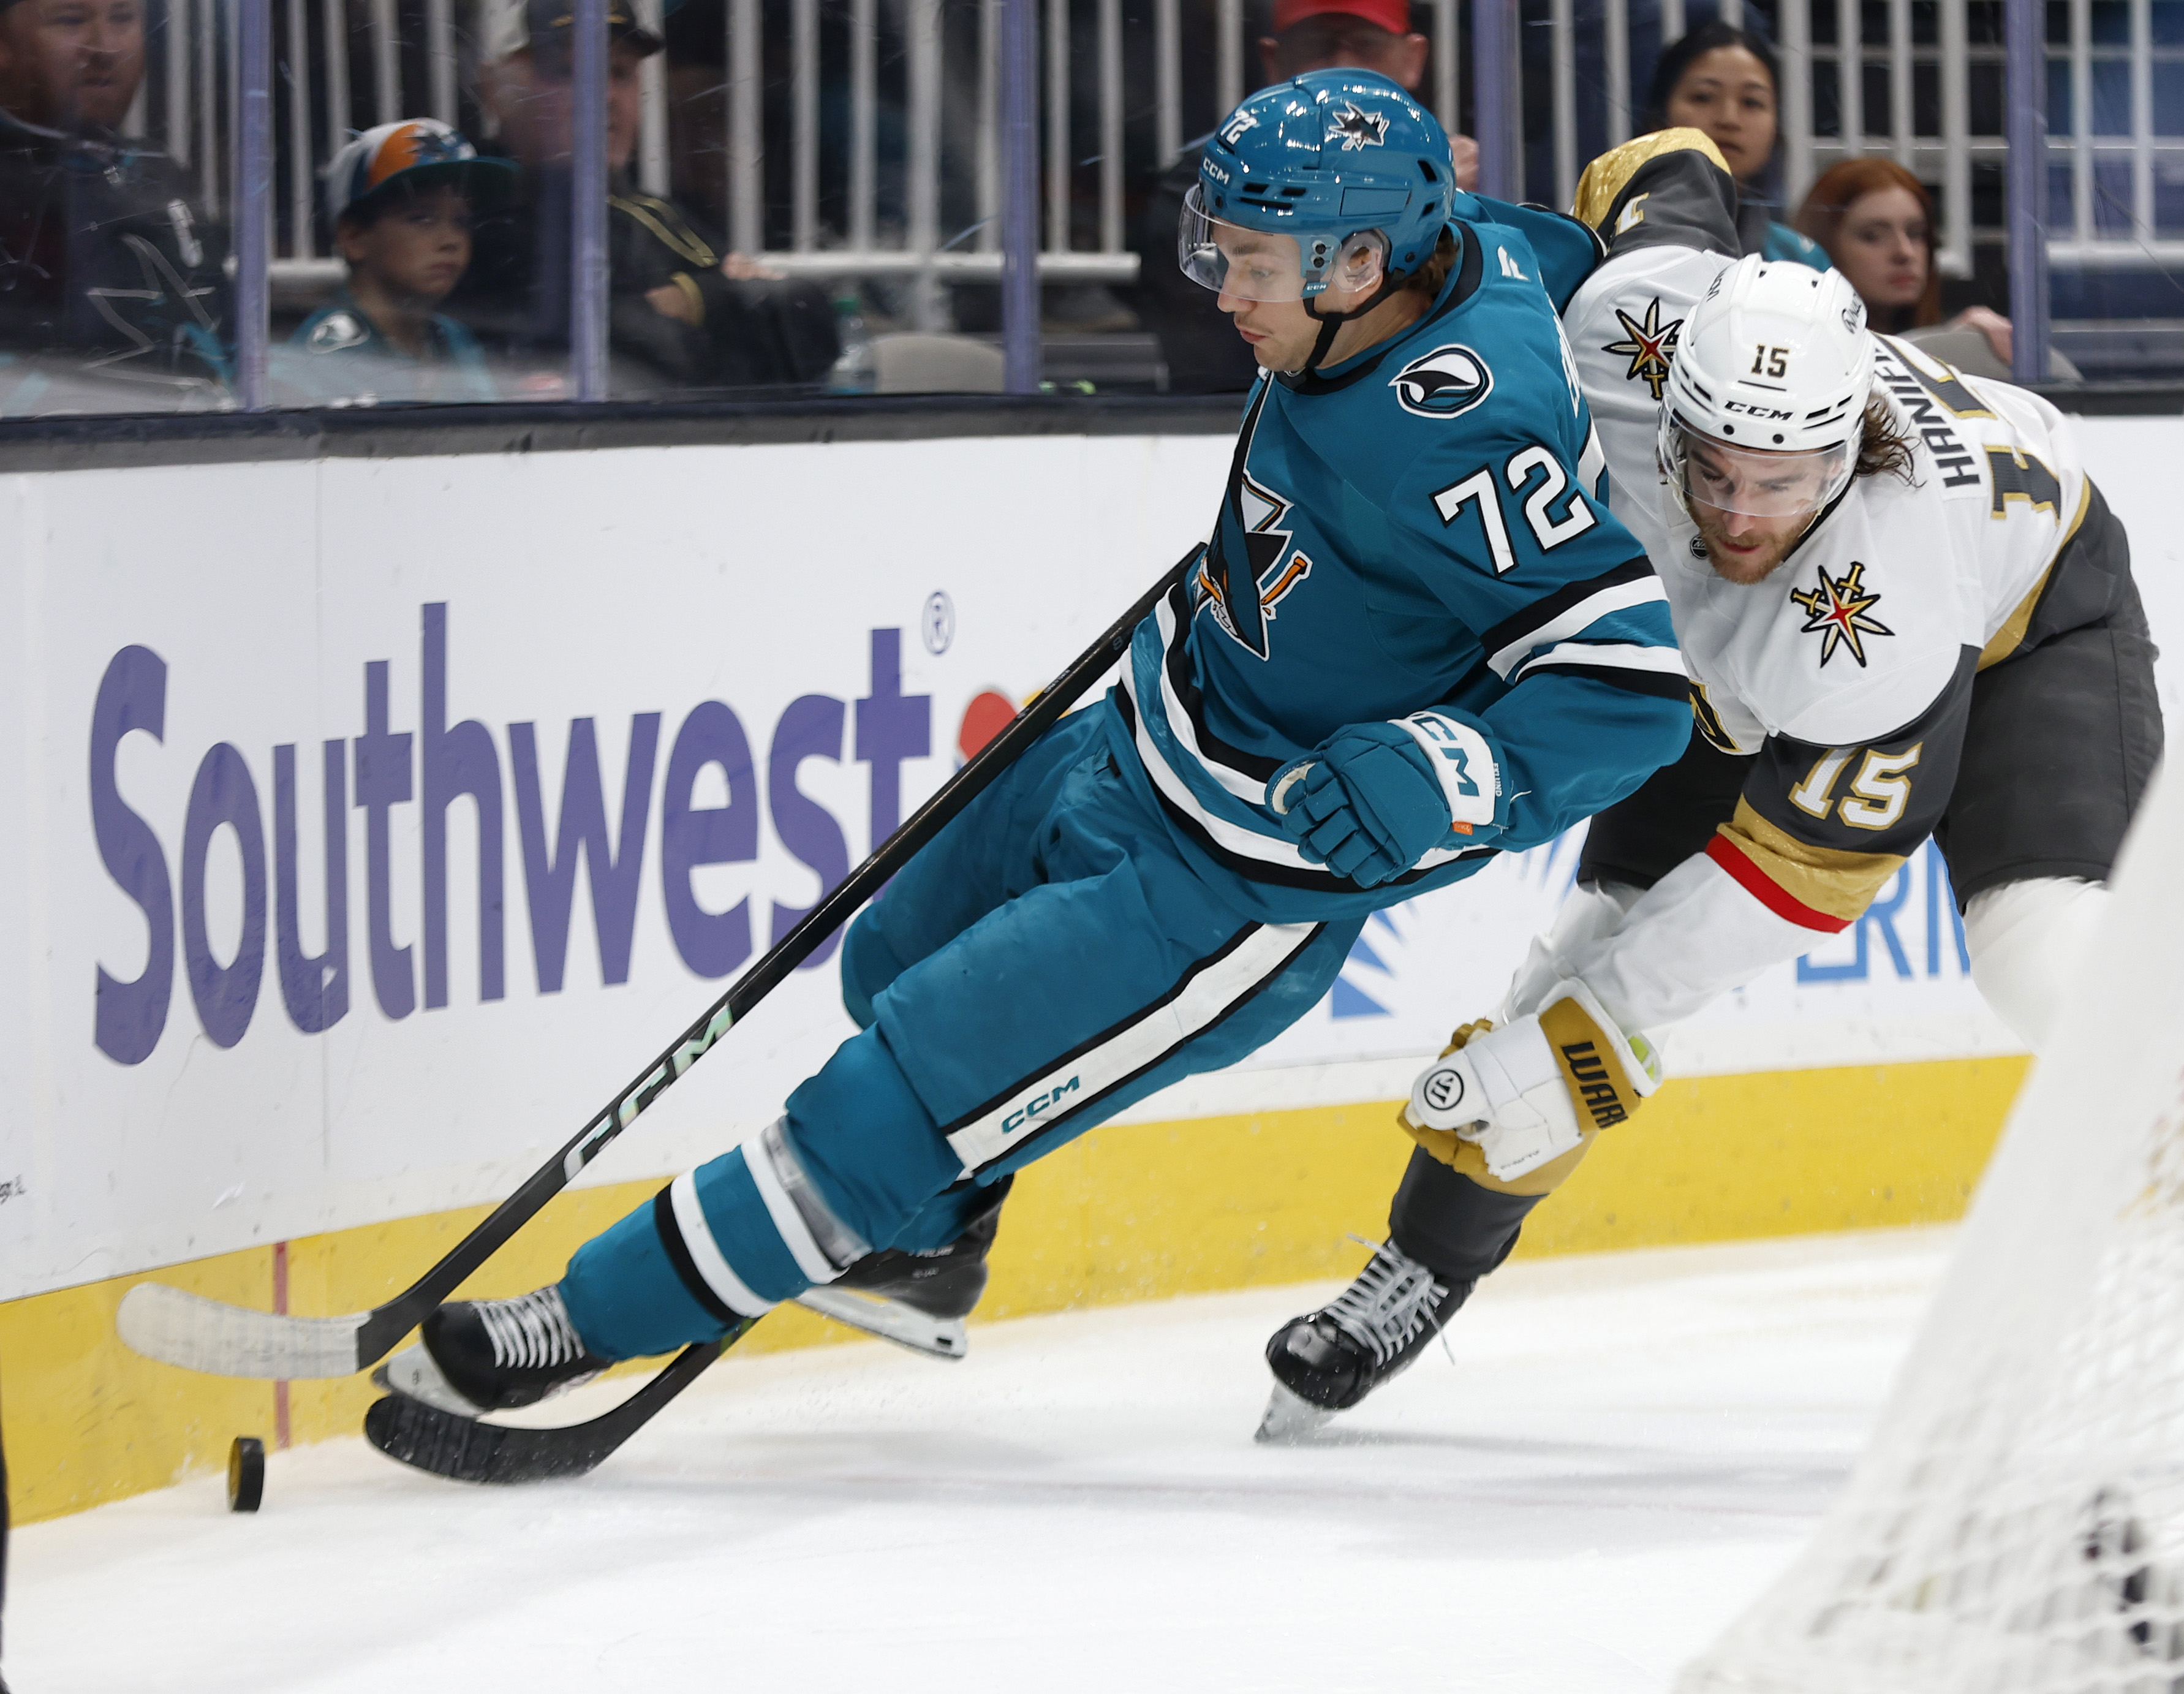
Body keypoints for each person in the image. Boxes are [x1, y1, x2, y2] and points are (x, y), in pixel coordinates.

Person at [374, 70, 1693, 1421]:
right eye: (1218, 249)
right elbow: (1588, 249)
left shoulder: (1465, 430)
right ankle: (932, 1239)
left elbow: (1633, 683)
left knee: (892, 1095)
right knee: (892, 958)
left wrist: (1450, 770)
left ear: (1361, 262)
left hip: (1234, 878)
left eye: (1251, 263)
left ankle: (576, 1321)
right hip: (1142, 737)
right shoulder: (1451, 248)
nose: (1222, 291)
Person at [1261, 127, 2184, 1470]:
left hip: (2027, 611)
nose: (1744, 514)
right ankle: (1414, 1270)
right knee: (1570, 960)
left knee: (2057, 960)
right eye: (1715, 467)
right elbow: (1669, 162)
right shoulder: (1627, 327)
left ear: (1852, 449)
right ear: (1670, 406)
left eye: (1787, 480)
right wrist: (1438, 223)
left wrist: (1581, 1035)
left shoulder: (1879, 613)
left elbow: (1777, 890)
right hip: (1713, 654)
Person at [450, 0, 837, 393]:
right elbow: (645, 368)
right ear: (495, 90)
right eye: (569, 71)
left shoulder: (658, 212)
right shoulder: (474, 220)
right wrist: (731, 305)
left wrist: (691, 300)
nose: (604, 96)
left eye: (620, 72)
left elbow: (812, 329)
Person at [1134, 0, 1478, 393]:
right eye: (1317, 44)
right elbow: (1218, 383)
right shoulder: (1221, 177)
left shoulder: (1458, 195)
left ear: (1414, 57)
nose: (1341, 64)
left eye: (1366, 44)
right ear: (1273, 60)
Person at [0, 0, 229, 407]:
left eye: (123, 18)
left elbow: (230, 350)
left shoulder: (161, 173)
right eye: (71, 20)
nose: (105, 47)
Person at [284, 119, 515, 405]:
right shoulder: (317, 359)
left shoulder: (455, 338)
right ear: (354, 237)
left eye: (461, 222)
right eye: (422, 218)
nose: (451, 240)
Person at [1793, 155, 2076, 383]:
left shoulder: (1954, 342)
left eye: (1916, 234)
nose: (1904, 252)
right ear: (1823, 247)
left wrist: (1962, 349)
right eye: (1873, 236)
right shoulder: (1795, 360)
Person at [1589, 20, 1824, 270]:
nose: (1729, 119)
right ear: (1657, 122)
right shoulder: (1606, 242)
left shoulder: (1799, 260)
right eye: (1702, 97)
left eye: (1752, 102)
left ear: (1776, 130)